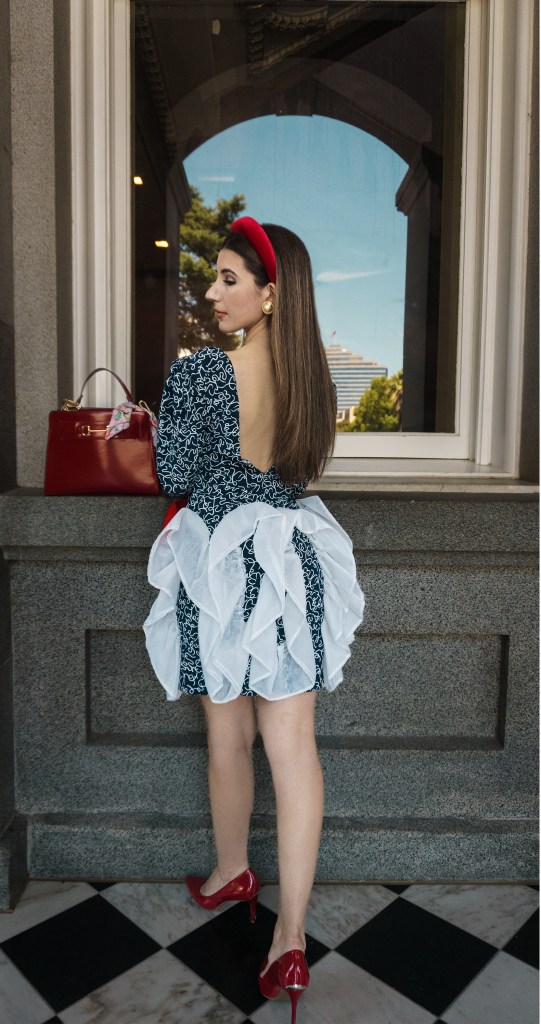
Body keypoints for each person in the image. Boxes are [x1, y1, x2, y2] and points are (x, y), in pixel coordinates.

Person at [144, 216, 365, 1023]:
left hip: (220, 563)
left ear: (271, 294)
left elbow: (169, 470)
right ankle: (293, 938)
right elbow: (299, 468)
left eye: (229, 278)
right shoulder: (315, 383)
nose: (211, 291)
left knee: (227, 735)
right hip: (294, 554)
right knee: (294, 750)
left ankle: (232, 870)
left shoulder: (203, 372)